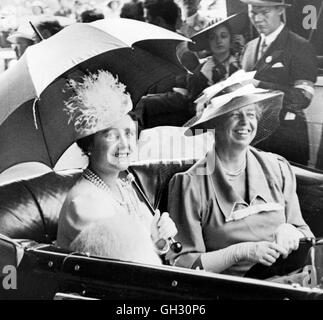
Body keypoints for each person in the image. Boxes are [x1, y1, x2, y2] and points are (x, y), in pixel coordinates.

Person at [167, 84, 314, 277]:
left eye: (251, 114)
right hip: (239, 290)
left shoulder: (277, 167)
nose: (245, 122)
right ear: (215, 124)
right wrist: (241, 252)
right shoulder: (189, 184)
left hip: (296, 278)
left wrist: (291, 230)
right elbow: (183, 264)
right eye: (234, 115)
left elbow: (305, 233)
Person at [56, 70, 178, 263]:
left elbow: (146, 257)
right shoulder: (84, 204)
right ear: (89, 145)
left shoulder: (123, 187)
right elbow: (136, 268)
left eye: (129, 133)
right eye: (111, 135)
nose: (124, 144)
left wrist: (159, 241)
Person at [240, 0, 318, 166]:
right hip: (252, 141)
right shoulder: (248, 48)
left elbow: (302, 98)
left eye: (264, 12)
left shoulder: (300, 46)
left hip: (286, 142)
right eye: (253, 12)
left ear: (280, 10)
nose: (258, 19)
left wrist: (258, 85)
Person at [186, 13, 248, 103]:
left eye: (223, 36)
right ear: (208, 42)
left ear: (231, 39)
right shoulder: (201, 73)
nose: (218, 41)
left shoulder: (243, 63)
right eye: (212, 37)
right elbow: (193, 105)